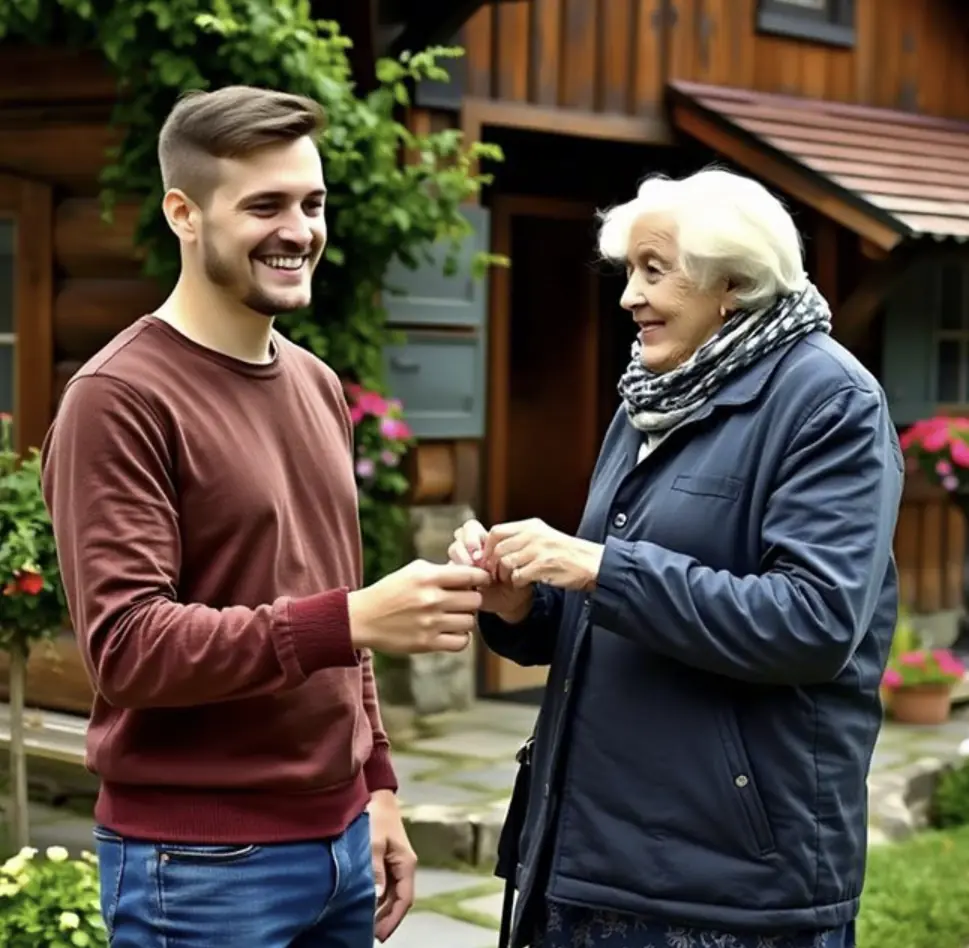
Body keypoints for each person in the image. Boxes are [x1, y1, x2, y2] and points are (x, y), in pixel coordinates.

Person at [41, 85, 492, 948]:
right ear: (183, 212)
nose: (299, 230)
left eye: (312, 203)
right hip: (199, 867)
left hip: (340, 845)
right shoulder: (118, 398)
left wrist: (378, 786)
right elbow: (129, 648)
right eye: (265, 205)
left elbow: (334, 606)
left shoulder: (318, 385)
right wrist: (354, 617)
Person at [450, 168, 904, 948]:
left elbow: (813, 622)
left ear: (731, 279)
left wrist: (596, 565)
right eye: (628, 270)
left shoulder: (830, 400)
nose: (628, 295)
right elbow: (621, 612)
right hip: (586, 856)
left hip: (726, 887)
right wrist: (524, 605)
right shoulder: (654, 393)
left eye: (652, 270)